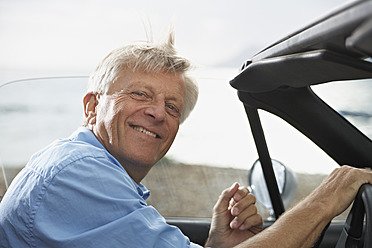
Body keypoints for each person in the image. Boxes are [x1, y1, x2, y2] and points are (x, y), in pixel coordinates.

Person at [0, 32, 372, 248]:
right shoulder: (79, 173)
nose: (159, 113)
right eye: (141, 95)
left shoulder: (87, 168)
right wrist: (328, 198)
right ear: (92, 107)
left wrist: (214, 245)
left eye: (173, 107)